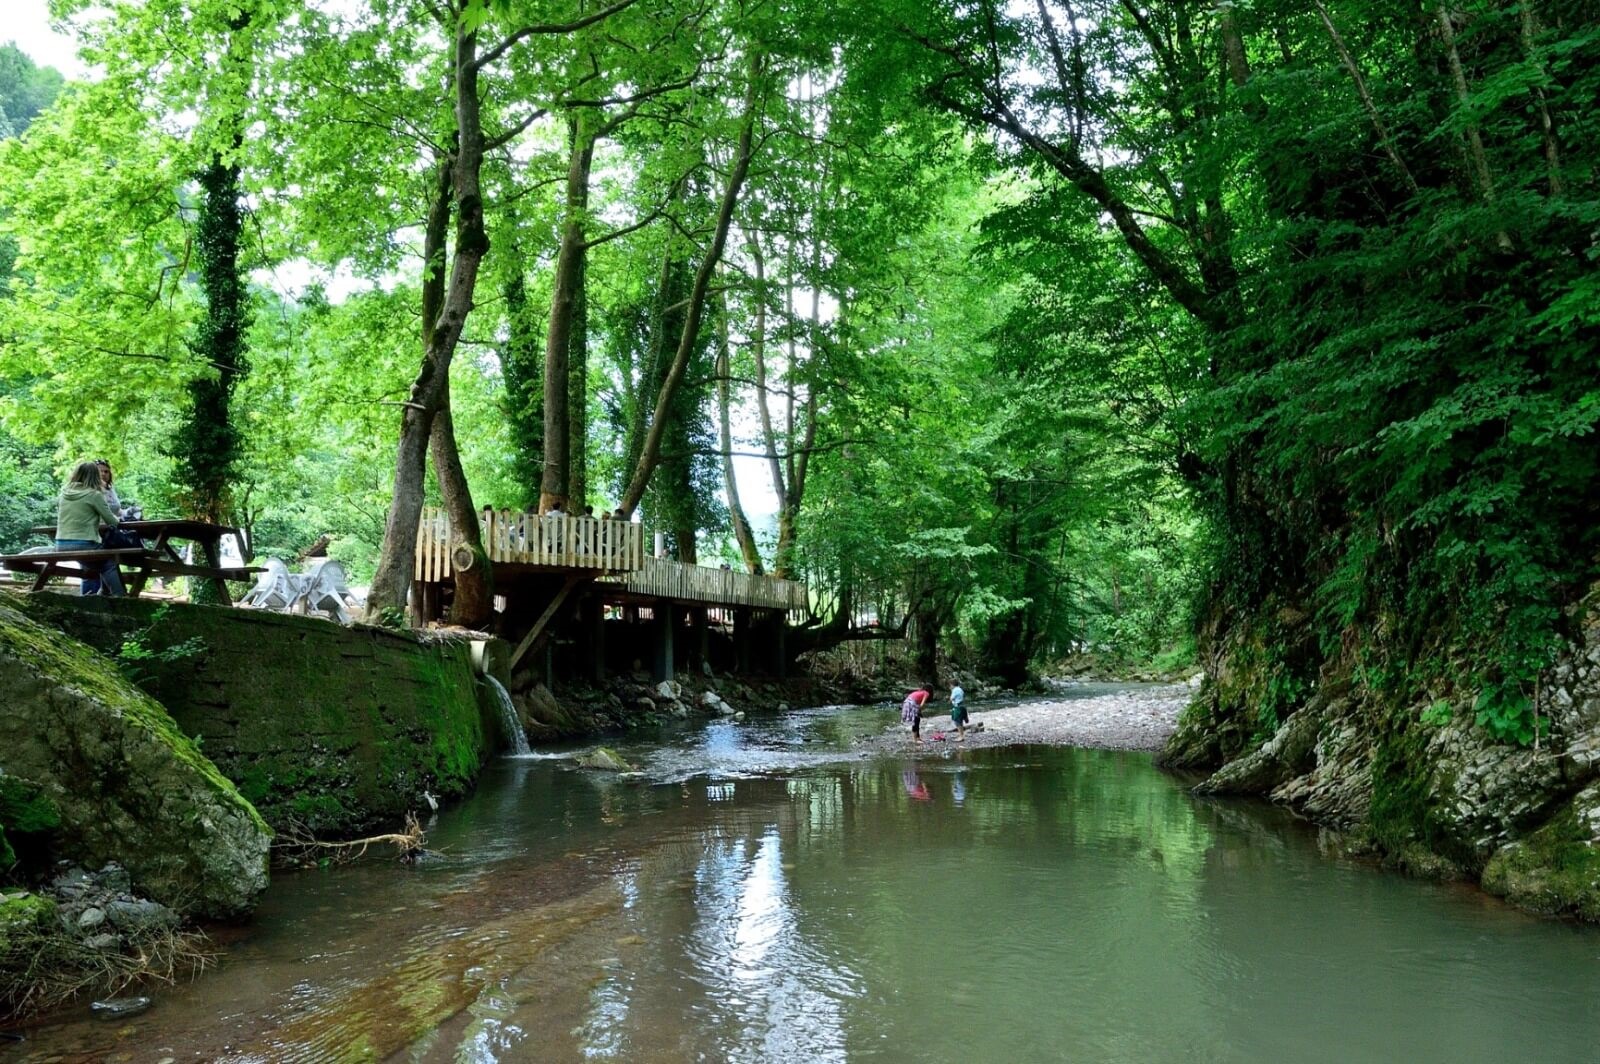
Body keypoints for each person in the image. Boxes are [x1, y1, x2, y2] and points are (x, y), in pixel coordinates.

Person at [56, 461, 126, 597]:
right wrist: (120, 518)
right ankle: (120, 597)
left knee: (101, 562)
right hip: (84, 543)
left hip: (60, 543)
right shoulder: (94, 495)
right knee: (109, 562)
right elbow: (112, 522)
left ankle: (103, 594)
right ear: (95, 476)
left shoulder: (64, 494)